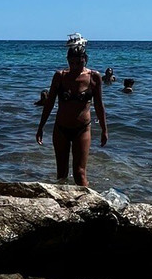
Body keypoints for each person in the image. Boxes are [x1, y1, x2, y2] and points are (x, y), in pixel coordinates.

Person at [35, 34, 108, 185]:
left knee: (79, 174)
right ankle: (62, 206)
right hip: (61, 129)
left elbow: (99, 105)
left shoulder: (94, 77)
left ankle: (87, 204)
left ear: (85, 60)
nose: (75, 66)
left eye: (79, 63)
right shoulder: (60, 76)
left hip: (82, 129)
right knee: (61, 173)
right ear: (68, 61)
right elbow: (49, 104)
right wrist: (41, 127)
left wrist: (104, 129)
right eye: (72, 62)